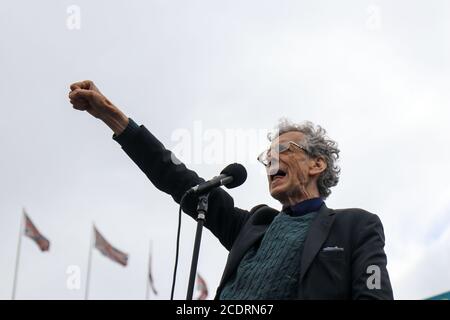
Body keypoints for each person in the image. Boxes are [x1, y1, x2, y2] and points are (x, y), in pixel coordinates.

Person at [68, 80, 394, 300]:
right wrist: (111, 115)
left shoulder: (356, 227)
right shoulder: (252, 227)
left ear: (316, 165)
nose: (270, 161)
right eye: (267, 156)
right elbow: (177, 178)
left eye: (284, 150)